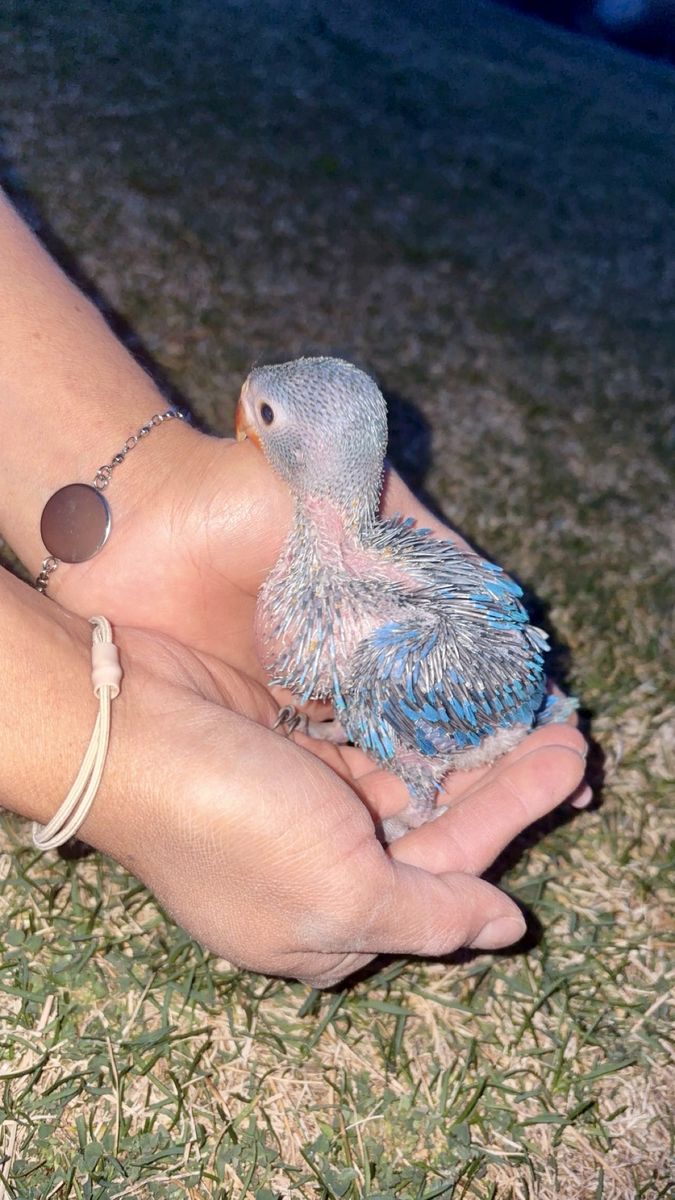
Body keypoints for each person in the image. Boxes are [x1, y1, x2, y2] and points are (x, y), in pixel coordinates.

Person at [0, 191, 589, 987]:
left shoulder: (388, 622)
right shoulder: (312, 571)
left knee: (405, 692)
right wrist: (113, 757)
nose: (245, 425)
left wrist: (145, 500)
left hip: (452, 702)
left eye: (264, 415)